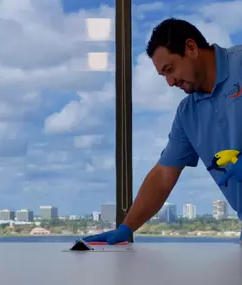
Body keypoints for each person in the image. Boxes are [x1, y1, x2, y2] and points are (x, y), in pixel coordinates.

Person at [82, 18, 242, 245]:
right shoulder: (187, 114)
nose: (170, 82)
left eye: (170, 69)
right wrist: (128, 226)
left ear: (191, 48)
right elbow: (163, 176)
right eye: (163, 75)